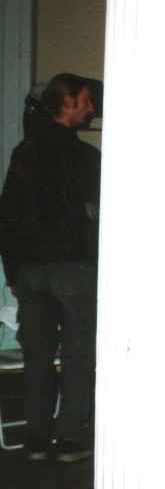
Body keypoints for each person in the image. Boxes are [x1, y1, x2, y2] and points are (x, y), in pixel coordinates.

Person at [0, 73, 100, 463]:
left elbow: (8, 216)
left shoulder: (24, 153)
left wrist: (14, 272)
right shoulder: (86, 158)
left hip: (31, 272)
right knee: (78, 356)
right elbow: (96, 219)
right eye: (86, 101)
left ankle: (37, 439)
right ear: (68, 102)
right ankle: (70, 439)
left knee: (37, 357)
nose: (91, 108)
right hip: (74, 270)